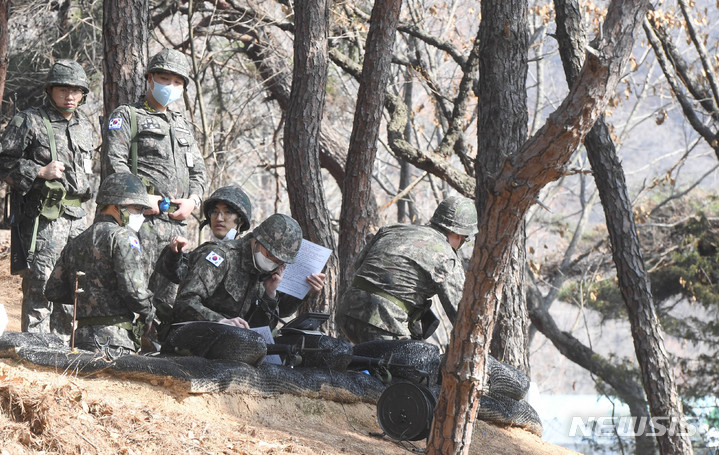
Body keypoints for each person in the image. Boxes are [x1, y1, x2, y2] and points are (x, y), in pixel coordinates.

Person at [101, 48, 206, 328]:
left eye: (177, 82)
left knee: (168, 301)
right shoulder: (127, 116)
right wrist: (140, 198)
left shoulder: (184, 126)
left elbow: (199, 171)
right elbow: (114, 162)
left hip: (176, 227)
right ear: (149, 79)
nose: (169, 86)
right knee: (134, 294)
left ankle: (159, 361)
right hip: (139, 223)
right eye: (163, 78)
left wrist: (193, 202)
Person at [0, 59, 95, 334]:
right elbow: (3, 162)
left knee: (72, 286)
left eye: (76, 90)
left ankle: (65, 351)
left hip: (78, 218)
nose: (70, 96)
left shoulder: (84, 127)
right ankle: (36, 355)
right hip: (43, 218)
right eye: (63, 89)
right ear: (50, 89)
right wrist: (38, 171)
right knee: (41, 284)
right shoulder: (29, 120)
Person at [162, 214, 325, 359]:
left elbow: (260, 331)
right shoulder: (221, 256)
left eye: (279, 261)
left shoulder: (267, 274)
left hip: (235, 355)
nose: (273, 263)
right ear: (257, 240)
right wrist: (220, 321)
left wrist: (270, 294)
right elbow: (185, 302)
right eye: (270, 255)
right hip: (190, 349)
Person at [336, 196, 478, 344]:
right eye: (465, 239)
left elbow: (358, 265)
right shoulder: (447, 257)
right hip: (385, 323)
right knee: (409, 365)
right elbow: (462, 316)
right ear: (459, 234)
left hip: (346, 311)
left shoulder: (392, 230)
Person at [44, 173, 155, 353]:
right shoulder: (122, 236)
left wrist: (89, 298)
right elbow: (135, 292)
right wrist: (149, 313)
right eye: (136, 208)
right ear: (116, 206)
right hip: (115, 342)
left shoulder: (76, 242)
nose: (141, 215)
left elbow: (53, 290)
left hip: (80, 341)